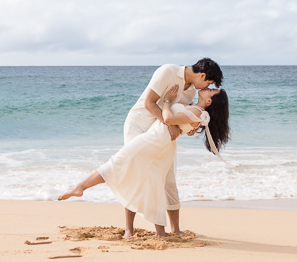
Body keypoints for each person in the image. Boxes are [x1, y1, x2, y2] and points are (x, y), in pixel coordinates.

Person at [58, 85, 230, 237]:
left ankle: (79, 188)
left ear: (209, 101)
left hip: (154, 141)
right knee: (153, 184)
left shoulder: (197, 113)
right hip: (160, 143)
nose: (209, 87)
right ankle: (160, 231)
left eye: (212, 90)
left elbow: (169, 119)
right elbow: (183, 127)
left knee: (117, 163)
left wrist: (167, 101)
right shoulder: (195, 110)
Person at [121, 58, 223, 235]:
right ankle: (129, 229)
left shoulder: (191, 91)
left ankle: (175, 229)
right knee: (138, 174)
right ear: (202, 75)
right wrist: (170, 124)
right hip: (139, 126)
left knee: (168, 178)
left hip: (162, 133)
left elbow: (181, 114)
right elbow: (149, 103)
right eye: (208, 82)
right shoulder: (167, 72)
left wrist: (189, 127)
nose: (205, 87)